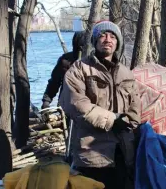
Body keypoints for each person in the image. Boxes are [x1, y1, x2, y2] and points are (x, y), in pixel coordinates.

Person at [59, 20, 141, 189]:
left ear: (117, 43)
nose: (107, 39)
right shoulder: (79, 69)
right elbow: (75, 104)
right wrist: (112, 120)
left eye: (112, 36)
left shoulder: (126, 73)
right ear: (95, 41)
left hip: (123, 153)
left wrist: (128, 123)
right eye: (102, 35)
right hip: (92, 155)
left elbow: (135, 107)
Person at [41, 31, 86, 109]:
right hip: (66, 105)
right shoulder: (65, 60)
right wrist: (46, 101)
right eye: (79, 45)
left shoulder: (92, 61)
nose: (81, 47)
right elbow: (54, 83)